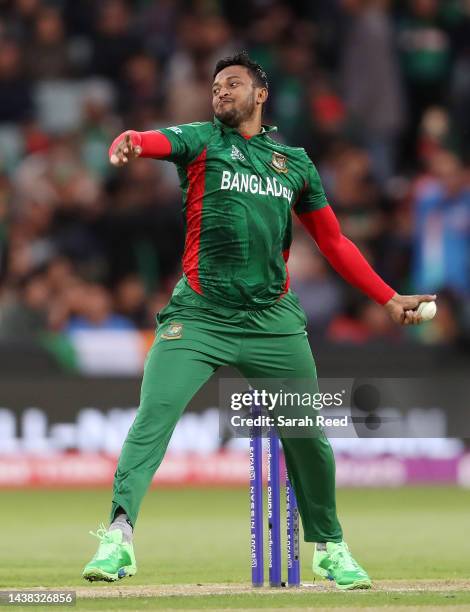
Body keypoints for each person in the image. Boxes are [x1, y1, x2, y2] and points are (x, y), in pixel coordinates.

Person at [82, 52, 436, 590]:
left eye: (233, 84)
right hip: (199, 315)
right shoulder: (202, 142)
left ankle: (330, 547)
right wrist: (132, 137)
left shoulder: (292, 163)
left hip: (272, 321)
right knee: (154, 414)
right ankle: (118, 538)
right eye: (216, 86)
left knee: (307, 437)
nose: (220, 92)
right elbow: (158, 140)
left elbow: (334, 242)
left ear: (261, 94)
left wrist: (387, 298)